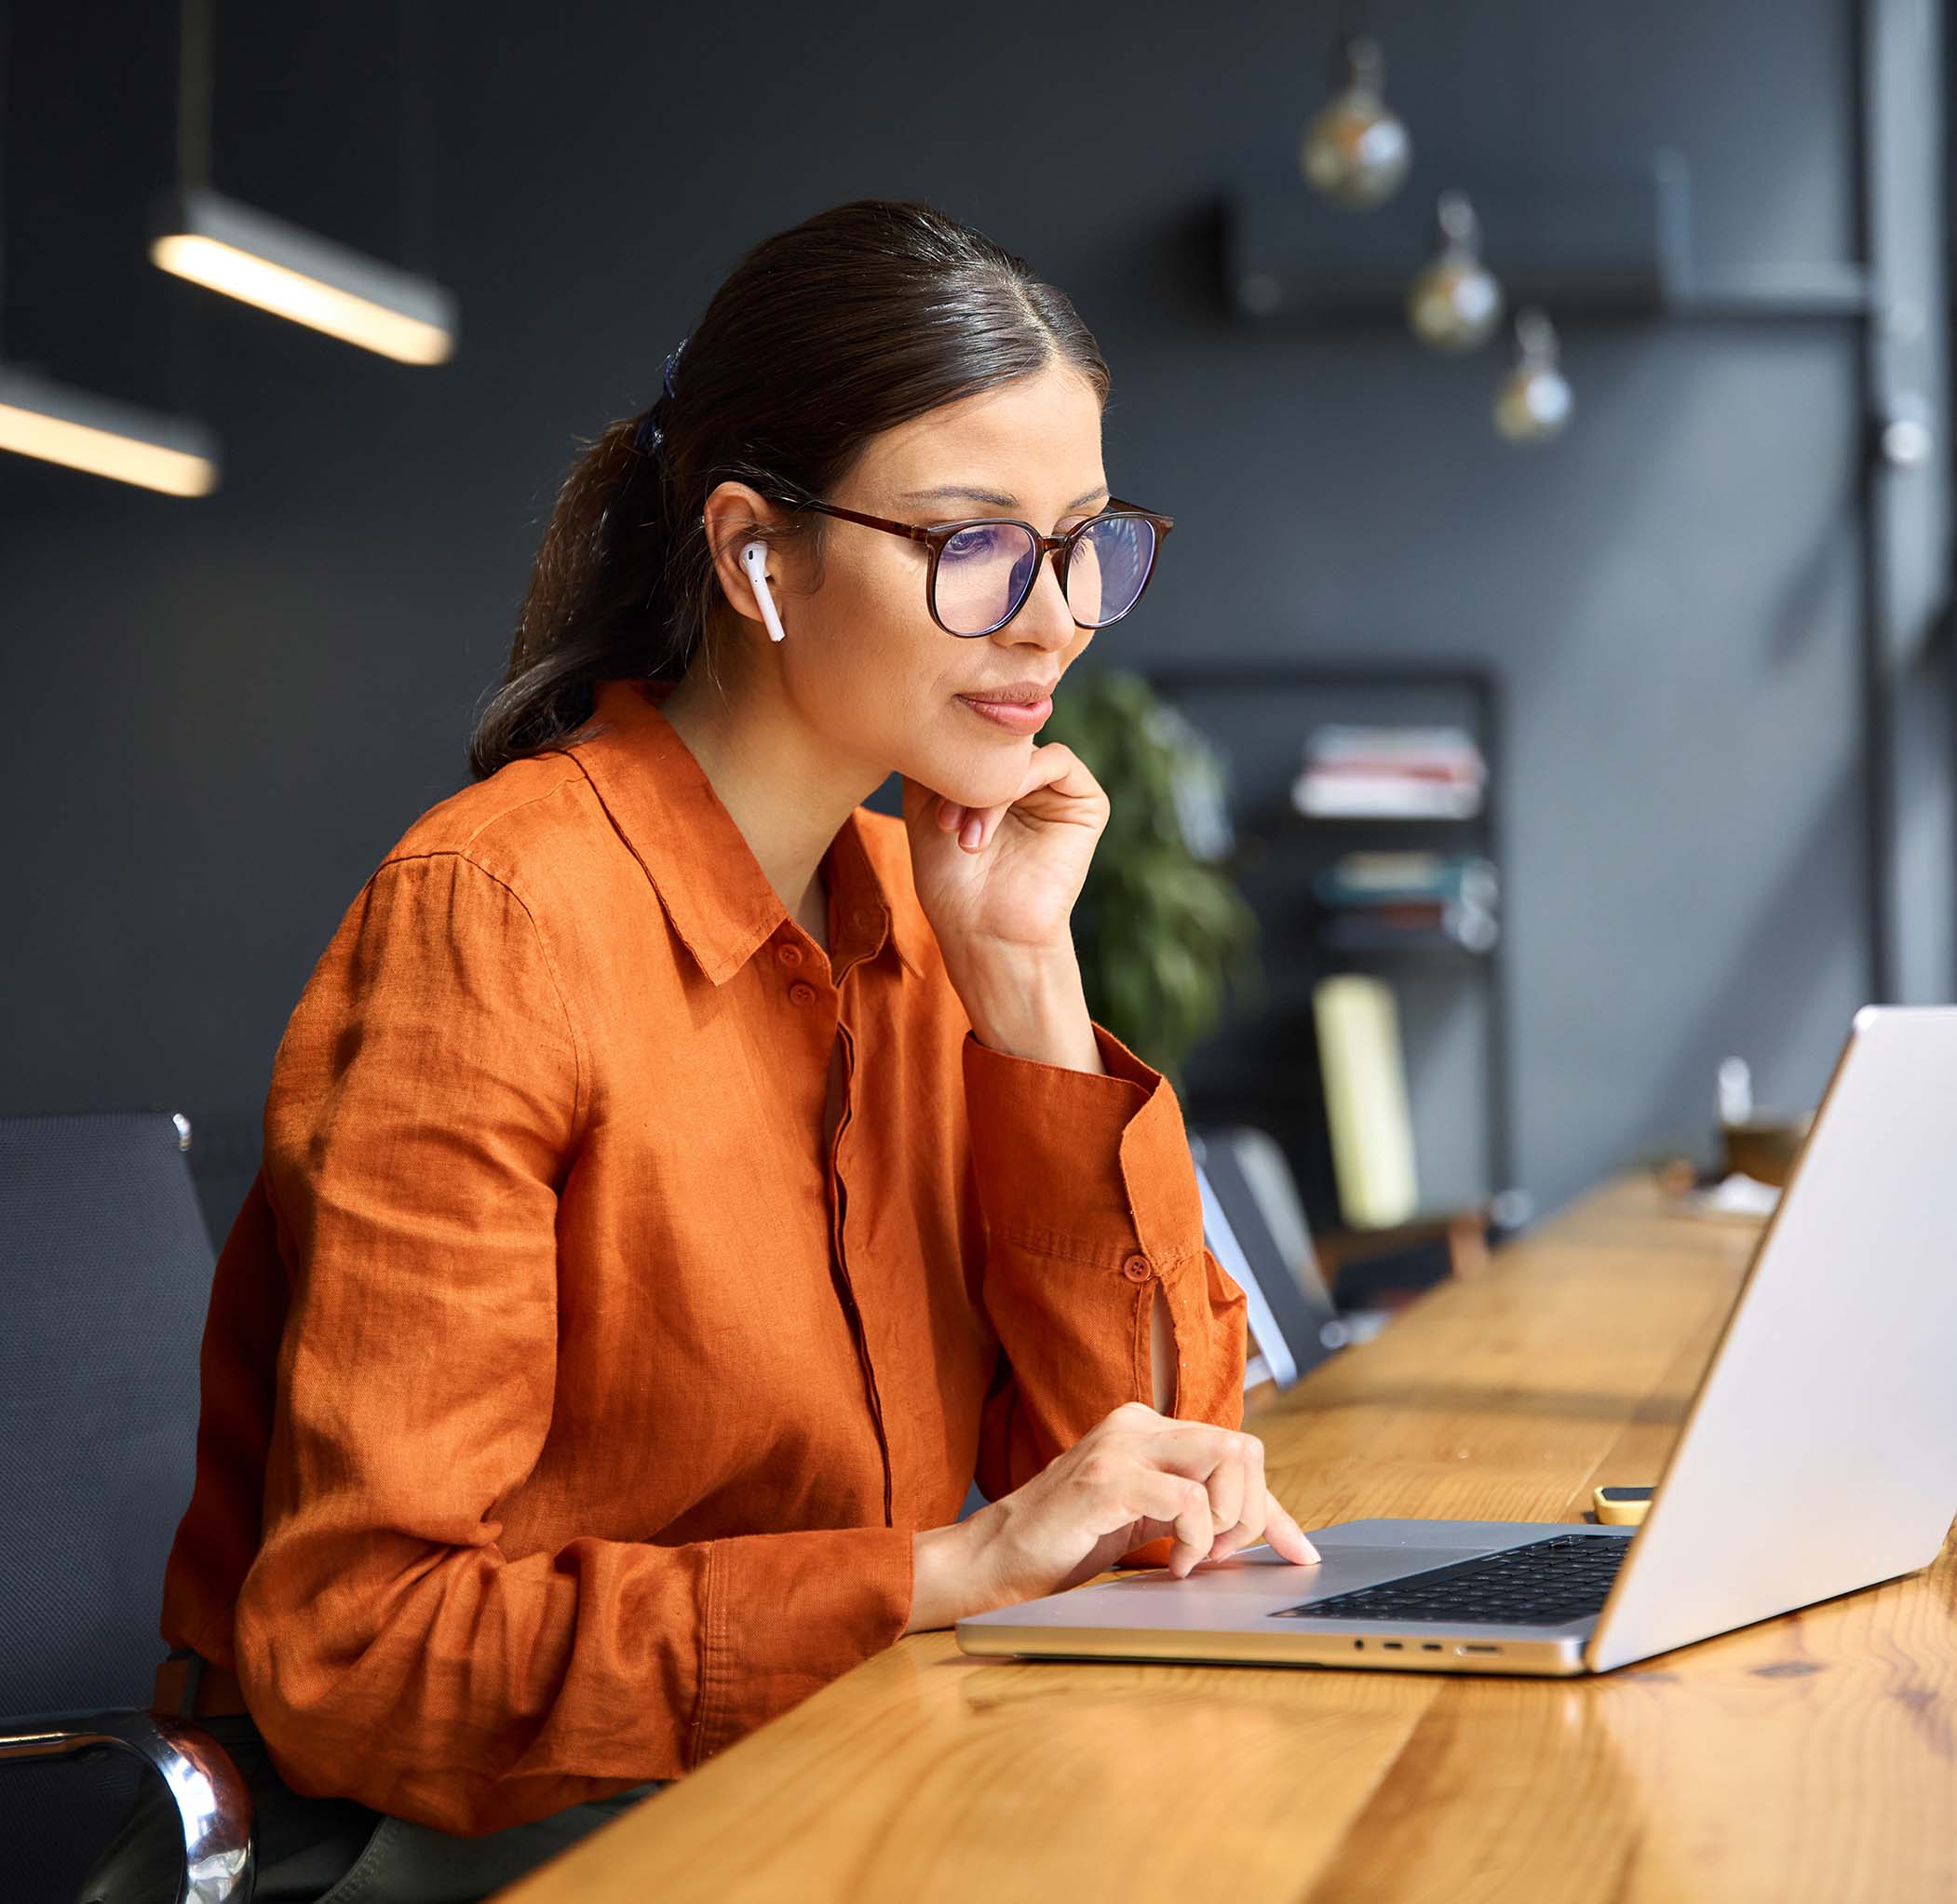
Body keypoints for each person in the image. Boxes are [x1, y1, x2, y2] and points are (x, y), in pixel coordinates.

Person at [77, 196, 1318, 1904]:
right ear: (753, 552)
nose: (1051, 622)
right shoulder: (498, 920)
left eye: (1083, 544)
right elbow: (360, 1654)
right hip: (506, 1847)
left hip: (834, 1794)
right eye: (974, 544)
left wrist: (1024, 980)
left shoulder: (923, 902)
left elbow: (1156, 1479)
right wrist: (940, 1571)